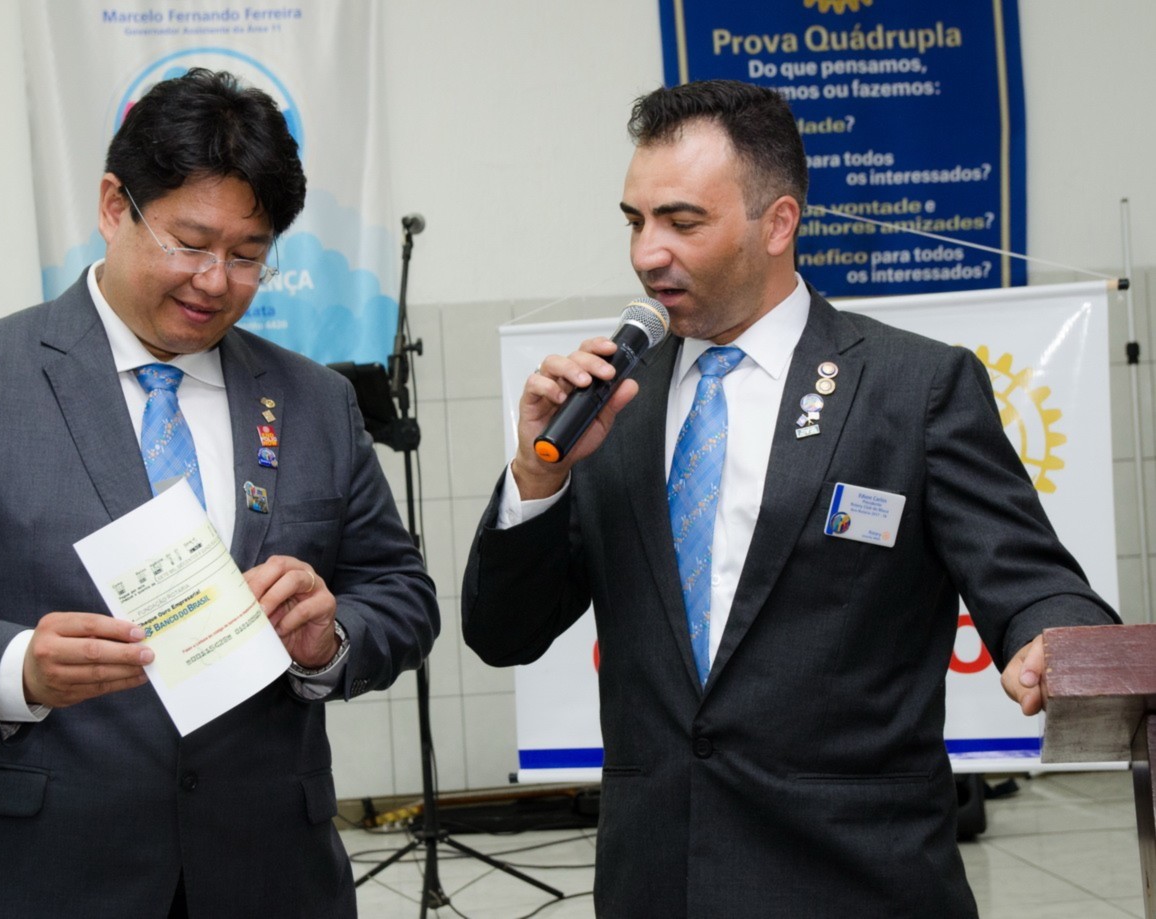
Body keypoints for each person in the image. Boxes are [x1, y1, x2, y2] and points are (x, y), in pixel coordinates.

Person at [461, 79, 1119, 918]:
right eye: (635, 221)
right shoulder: (610, 407)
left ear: (778, 223)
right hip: (659, 883)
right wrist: (537, 474)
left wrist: (1056, 638)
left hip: (857, 881)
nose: (647, 253)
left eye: (682, 222)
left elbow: (1030, 580)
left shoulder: (914, 388)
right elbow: (503, 633)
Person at [0, 68, 438, 919]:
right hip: (21, 877)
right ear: (114, 205)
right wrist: (18, 666)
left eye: (247, 255)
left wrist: (329, 641)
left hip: (261, 874)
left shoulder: (314, 400)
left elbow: (401, 594)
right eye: (189, 242)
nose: (213, 280)